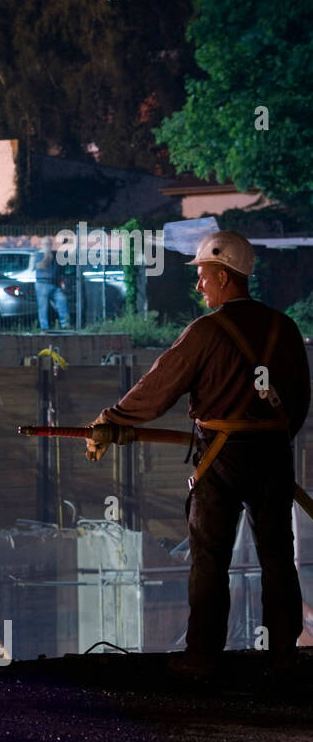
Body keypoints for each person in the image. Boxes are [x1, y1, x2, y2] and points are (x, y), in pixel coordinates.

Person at [85, 231, 309, 679]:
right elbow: (299, 400)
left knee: (210, 557)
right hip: (271, 456)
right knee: (278, 557)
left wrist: (112, 419)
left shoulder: (206, 332)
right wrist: (269, 439)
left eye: (203, 275)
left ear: (224, 276)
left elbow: (159, 387)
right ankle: (282, 658)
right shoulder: (284, 328)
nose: (198, 285)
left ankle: (203, 657)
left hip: (220, 460)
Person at [33, 236, 70, 331]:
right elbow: (42, 265)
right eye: (45, 244)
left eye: (49, 244)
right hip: (42, 284)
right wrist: (47, 254)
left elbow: (63, 261)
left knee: (62, 302)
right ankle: (44, 328)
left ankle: (65, 325)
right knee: (43, 307)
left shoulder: (54, 254)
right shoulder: (40, 254)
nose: (48, 246)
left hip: (55, 284)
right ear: (42, 245)